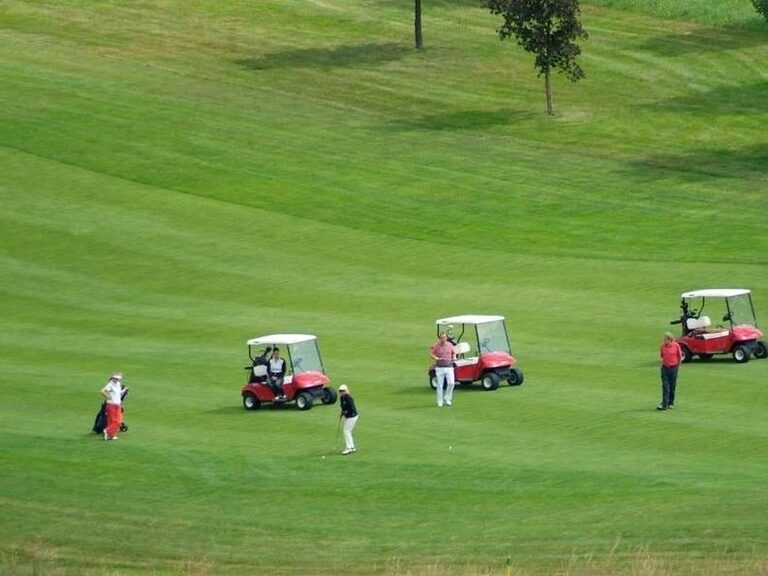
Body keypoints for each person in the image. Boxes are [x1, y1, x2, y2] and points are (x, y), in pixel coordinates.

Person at [430, 332, 456, 407]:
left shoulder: (450, 345)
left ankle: (447, 398)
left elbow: (454, 353)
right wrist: (435, 357)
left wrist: (454, 357)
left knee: (451, 383)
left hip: (449, 367)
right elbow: (431, 354)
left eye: (444, 338)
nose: (443, 339)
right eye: (441, 338)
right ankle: (440, 401)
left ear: (446, 338)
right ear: (440, 338)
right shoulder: (436, 346)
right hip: (439, 368)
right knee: (440, 385)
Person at [658, 332, 683, 410]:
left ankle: (671, 402)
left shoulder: (676, 345)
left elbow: (679, 356)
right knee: (665, 386)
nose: (664, 341)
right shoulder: (662, 346)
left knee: (672, 386)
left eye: (665, 339)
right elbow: (662, 356)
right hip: (665, 368)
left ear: (670, 339)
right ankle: (664, 403)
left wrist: (678, 366)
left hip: (674, 368)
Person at [100, 372, 126, 441]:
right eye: (116, 378)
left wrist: (124, 390)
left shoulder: (118, 384)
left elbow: (118, 393)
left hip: (117, 404)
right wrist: (108, 397)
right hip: (111, 405)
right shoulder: (110, 385)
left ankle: (110, 435)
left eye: (118, 379)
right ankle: (107, 431)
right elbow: (102, 391)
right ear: (113, 378)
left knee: (111, 421)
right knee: (118, 421)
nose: (117, 380)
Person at [339, 384, 359, 455]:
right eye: (340, 391)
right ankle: (352, 447)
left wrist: (345, 412)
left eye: (342, 391)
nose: (341, 392)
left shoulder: (349, 398)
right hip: (348, 416)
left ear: (346, 391)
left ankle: (348, 448)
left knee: (346, 431)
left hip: (352, 416)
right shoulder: (341, 398)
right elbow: (343, 407)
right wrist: (342, 413)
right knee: (348, 431)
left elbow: (352, 408)